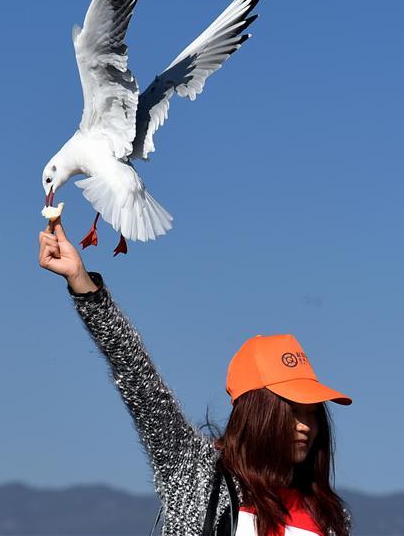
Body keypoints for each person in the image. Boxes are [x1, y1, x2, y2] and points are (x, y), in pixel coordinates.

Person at [38, 218, 352, 536]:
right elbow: (137, 376)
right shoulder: (197, 473)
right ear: (257, 414)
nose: (305, 426)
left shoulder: (329, 514)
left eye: (312, 414)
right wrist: (81, 282)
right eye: (293, 411)